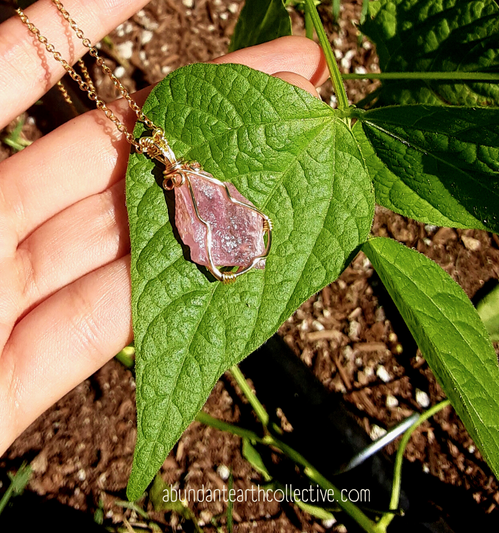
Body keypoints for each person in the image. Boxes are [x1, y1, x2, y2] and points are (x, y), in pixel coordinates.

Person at [0, 0, 329, 456]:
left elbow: (228, 199)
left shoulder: (187, 180)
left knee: (219, 211)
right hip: (198, 198)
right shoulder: (183, 186)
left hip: (206, 199)